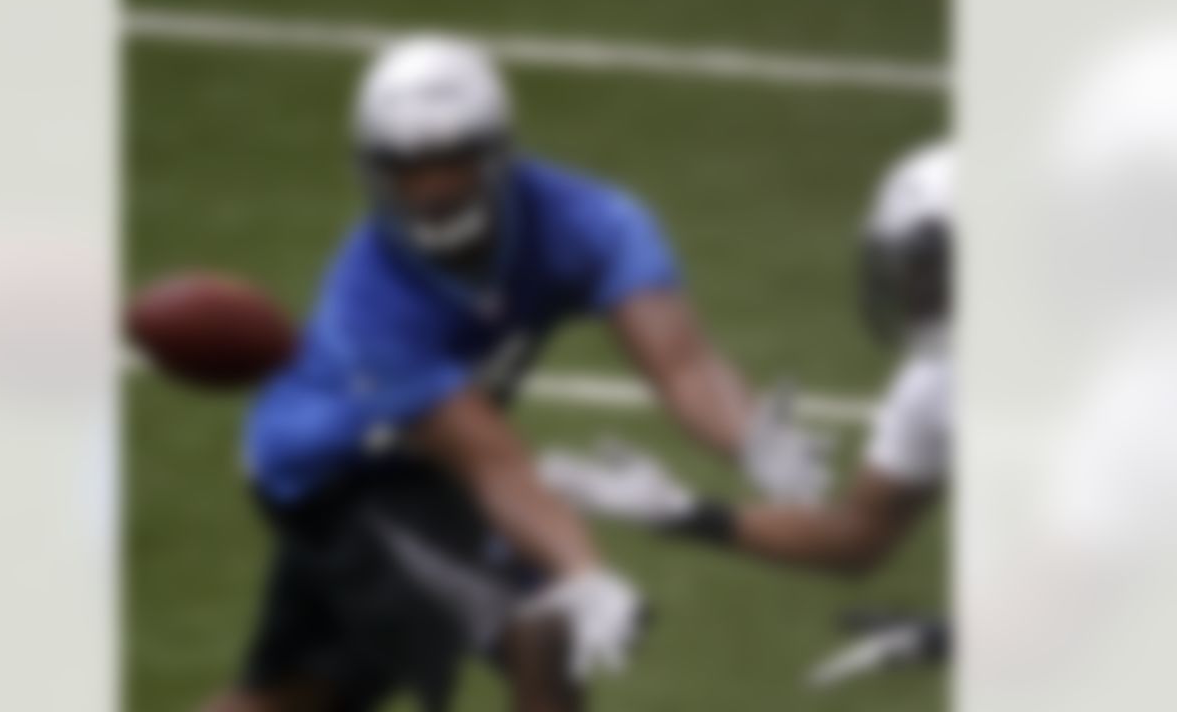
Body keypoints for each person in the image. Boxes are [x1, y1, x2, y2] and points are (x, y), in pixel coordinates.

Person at [206, 35, 825, 712]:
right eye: (409, 169)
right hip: (338, 479)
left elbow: (682, 362)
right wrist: (583, 571)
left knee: (303, 696)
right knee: (540, 625)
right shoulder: (369, 302)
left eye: (452, 163)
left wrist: (749, 434)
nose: (434, 191)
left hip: (415, 469)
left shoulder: (588, 222)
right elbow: (493, 465)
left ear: (498, 154)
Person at [540, 141, 953, 680]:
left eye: (928, 267)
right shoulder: (934, 380)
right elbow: (857, 535)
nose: (908, 288)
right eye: (908, 268)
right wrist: (681, 512)